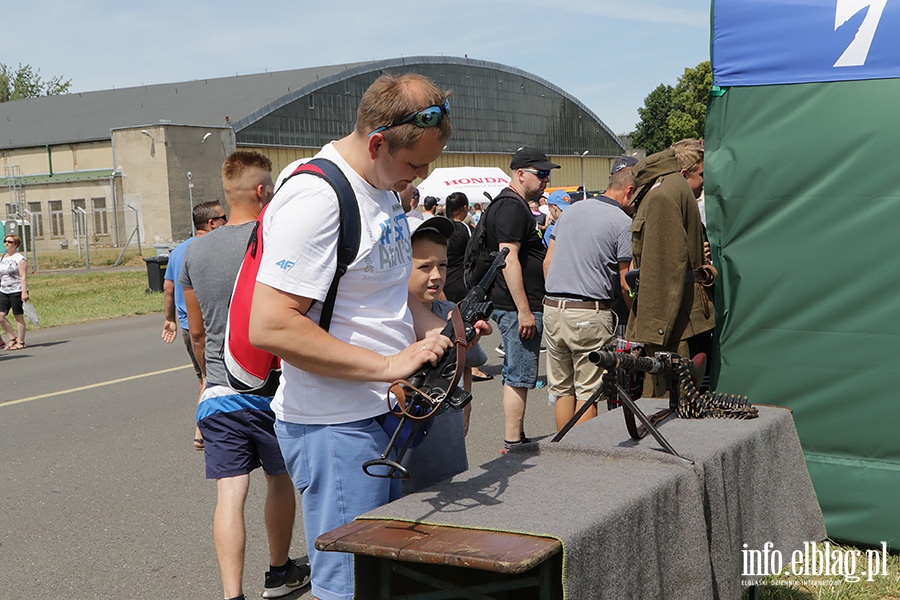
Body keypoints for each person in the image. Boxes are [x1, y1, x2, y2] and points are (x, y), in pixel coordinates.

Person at [248, 73, 487, 600]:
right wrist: (386, 366)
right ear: (377, 142)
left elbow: (380, 299)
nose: (421, 176)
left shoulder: (382, 190)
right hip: (337, 426)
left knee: (386, 577)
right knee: (350, 585)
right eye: (414, 164)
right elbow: (270, 323)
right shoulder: (317, 197)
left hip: (385, 415)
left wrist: (443, 335)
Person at [180, 151, 308, 600]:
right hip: (272, 387)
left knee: (230, 495)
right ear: (262, 192)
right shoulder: (274, 239)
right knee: (279, 479)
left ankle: (232, 594)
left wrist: (204, 384)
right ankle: (278, 573)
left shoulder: (193, 252)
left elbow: (196, 332)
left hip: (218, 390)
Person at [543, 168, 635, 430]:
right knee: (588, 392)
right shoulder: (622, 222)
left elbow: (547, 262)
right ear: (629, 191)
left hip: (553, 307)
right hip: (588, 311)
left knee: (562, 389)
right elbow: (625, 279)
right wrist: (634, 313)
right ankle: (583, 459)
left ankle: (562, 451)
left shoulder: (571, 210)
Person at [401, 215, 487, 493]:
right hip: (409, 446)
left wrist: (467, 403)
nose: (436, 276)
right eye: (424, 267)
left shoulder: (450, 310)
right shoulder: (393, 320)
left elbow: (467, 363)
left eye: (443, 265)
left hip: (448, 438)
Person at [483, 146, 558, 453]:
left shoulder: (512, 204)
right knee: (519, 374)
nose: (546, 180)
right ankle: (514, 440)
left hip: (515, 303)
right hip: (517, 305)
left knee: (519, 372)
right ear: (521, 174)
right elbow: (508, 258)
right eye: (541, 174)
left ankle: (516, 437)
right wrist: (524, 310)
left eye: (548, 174)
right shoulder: (513, 206)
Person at [626, 139, 713, 398]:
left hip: (675, 324)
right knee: (673, 404)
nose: (703, 183)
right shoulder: (665, 192)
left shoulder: (664, 193)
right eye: (701, 176)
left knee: (672, 404)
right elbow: (664, 271)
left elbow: (666, 271)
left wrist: (655, 332)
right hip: (676, 323)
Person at [161, 200, 227, 450]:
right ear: (211, 223)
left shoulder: (179, 251)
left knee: (203, 377)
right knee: (211, 379)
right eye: (223, 218)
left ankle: (205, 429)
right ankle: (202, 431)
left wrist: (170, 320)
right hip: (207, 326)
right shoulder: (210, 249)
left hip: (188, 327)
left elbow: (168, 288)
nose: (227, 222)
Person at [442, 191, 493, 382]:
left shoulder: (442, 226)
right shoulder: (465, 228)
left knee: (446, 322)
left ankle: (454, 363)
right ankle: (471, 366)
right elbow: (473, 253)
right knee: (466, 323)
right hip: (460, 281)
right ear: (464, 208)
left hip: (443, 281)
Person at [0, 234, 28, 351]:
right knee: (0, 317)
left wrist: (24, 292)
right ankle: (12, 337)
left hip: (16, 290)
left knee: (18, 316)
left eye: (10, 242)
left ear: (16, 245)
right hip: (3, 290)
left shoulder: (19, 258)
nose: (7, 244)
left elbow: (23, 276)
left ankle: (20, 341)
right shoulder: (2, 258)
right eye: (5, 241)